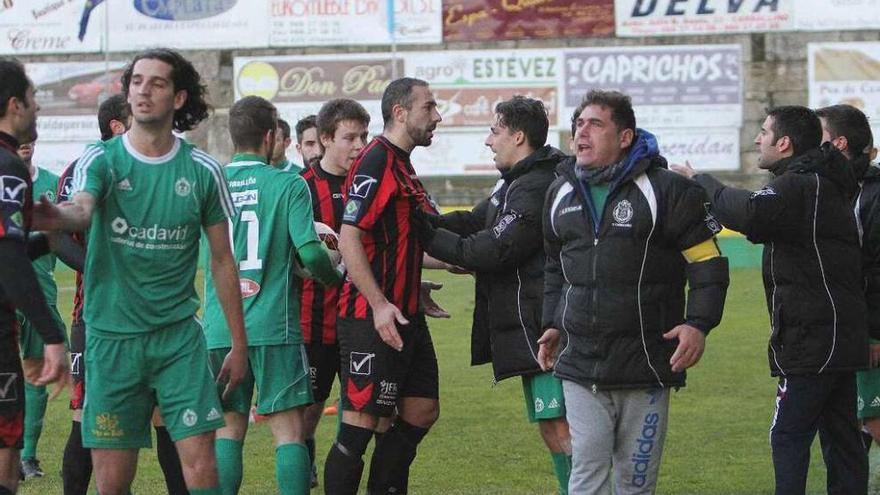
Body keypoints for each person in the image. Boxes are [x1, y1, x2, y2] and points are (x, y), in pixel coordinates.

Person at [32, 48, 248, 495]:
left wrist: (238, 345)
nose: (143, 90)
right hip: (111, 341)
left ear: (179, 97)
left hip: (178, 340)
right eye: (136, 82)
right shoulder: (102, 159)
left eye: (157, 83)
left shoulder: (204, 171)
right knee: (112, 482)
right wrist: (56, 215)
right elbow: (83, 209)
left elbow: (224, 261)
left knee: (202, 466)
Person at [537, 89, 729, 494]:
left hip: (646, 364)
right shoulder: (559, 192)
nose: (581, 132)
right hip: (580, 364)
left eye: (595, 124)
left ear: (625, 137)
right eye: (578, 124)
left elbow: (707, 263)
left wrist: (698, 324)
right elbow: (556, 267)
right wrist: (554, 322)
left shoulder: (670, 191)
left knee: (635, 482)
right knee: (586, 474)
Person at [671, 105, 869, 495]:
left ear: (784, 143)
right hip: (837, 335)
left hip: (812, 339)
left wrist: (700, 182)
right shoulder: (818, 182)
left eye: (763, 132)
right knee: (842, 441)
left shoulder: (798, 184)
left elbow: (749, 213)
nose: (757, 140)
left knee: (788, 435)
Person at [416, 96, 573, 494]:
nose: (488, 141)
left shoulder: (535, 186)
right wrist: (415, 218)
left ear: (518, 136)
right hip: (531, 327)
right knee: (553, 426)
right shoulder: (516, 182)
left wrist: (422, 232)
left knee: (563, 427)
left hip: (544, 326)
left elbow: (490, 250)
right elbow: (472, 221)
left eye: (494, 131)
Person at [203, 95, 342, 495]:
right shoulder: (288, 184)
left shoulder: (211, 182)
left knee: (228, 428)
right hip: (274, 327)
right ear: (270, 137)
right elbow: (312, 250)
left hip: (219, 326)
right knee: (288, 431)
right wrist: (333, 279)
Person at [58, 93, 190, 495]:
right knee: (90, 421)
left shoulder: (163, 168)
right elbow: (56, 238)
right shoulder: (87, 167)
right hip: (100, 320)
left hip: (161, 321)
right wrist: (109, 270)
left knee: (169, 418)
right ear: (119, 125)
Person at [324, 77, 443, 495]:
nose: (437, 116)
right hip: (370, 318)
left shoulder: (403, 164)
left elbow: (401, 240)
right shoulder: (377, 159)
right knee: (360, 425)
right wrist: (377, 303)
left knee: (421, 410)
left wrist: (416, 284)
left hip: (406, 312)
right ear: (400, 112)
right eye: (429, 108)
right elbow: (349, 235)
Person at [0, 56, 69, 495]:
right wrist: (52, 335)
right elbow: (8, 260)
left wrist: (53, 232)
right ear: (13, 106)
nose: (37, 108)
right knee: (5, 456)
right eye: (32, 99)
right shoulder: (8, 169)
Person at [298, 98, 370, 488]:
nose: (359, 146)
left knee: (365, 411)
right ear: (326, 139)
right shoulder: (302, 188)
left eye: (364, 136)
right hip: (314, 322)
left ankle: (340, 474)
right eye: (349, 137)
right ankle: (305, 463)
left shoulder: (370, 183)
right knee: (308, 410)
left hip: (362, 319)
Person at [816, 105, 880, 449]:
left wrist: (872, 334)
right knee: (843, 437)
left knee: (872, 420)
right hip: (833, 337)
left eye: (819, 135)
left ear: (839, 143)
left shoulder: (873, 193)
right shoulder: (824, 187)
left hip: (866, 335)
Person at [14, 140, 64, 481]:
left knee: (36, 376)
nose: (25, 143)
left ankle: (27, 457)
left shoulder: (52, 185)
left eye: (30, 136)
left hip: (40, 292)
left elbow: (64, 240)